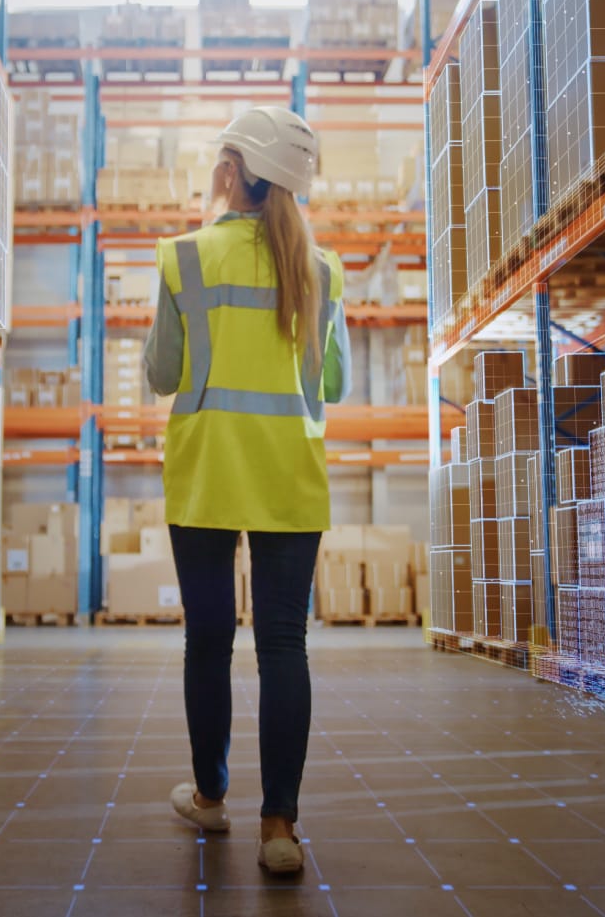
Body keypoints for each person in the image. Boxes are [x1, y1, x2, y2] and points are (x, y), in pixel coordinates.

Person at [142, 106, 350, 876]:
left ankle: (209, 794)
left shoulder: (183, 258)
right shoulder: (321, 271)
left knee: (208, 640)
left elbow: (163, 374)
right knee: (283, 646)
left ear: (233, 171)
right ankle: (279, 829)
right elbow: (334, 382)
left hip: (204, 475)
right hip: (289, 478)